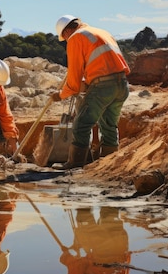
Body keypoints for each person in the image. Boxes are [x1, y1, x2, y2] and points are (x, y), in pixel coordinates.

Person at [50, 15, 131, 169]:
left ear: (67, 31)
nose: (66, 40)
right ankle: (108, 165)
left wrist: (60, 95)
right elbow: (102, 68)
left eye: (64, 37)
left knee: (81, 124)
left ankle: (76, 164)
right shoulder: (101, 32)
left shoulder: (75, 38)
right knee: (108, 125)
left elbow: (73, 83)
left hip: (103, 87)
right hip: (121, 84)